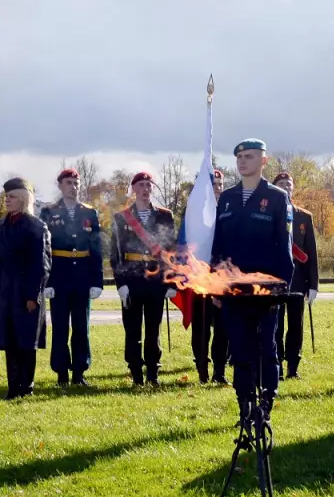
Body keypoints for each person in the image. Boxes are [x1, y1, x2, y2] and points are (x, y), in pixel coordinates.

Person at [212, 138, 293, 421]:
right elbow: (218, 248)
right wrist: (215, 287)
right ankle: (244, 403)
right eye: (239, 157)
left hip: (266, 291)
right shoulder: (227, 198)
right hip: (233, 291)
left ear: (263, 161)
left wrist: (281, 289)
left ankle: (266, 402)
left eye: (248, 156)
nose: (242, 161)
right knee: (240, 347)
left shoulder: (277, 198)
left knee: (267, 347)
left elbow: (284, 248)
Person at [110, 172, 176, 387]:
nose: (146, 189)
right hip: (133, 277)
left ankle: (153, 373)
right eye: (141, 185)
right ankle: (136, 373)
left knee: (153, 328)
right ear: (133, 190)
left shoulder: (166, 216)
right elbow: (116, 253)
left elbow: (171, 251)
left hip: (156, 278)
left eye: (149, 185)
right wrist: (121, 284)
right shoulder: (121, 218)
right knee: (132, 329)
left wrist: (171, 281)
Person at [40, 168, 103, 387]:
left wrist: (97, 281)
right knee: (59, 327)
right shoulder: (48, 212)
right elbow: (45, 250)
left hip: (82, 277)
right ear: (60, 185)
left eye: (76, 183)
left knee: (81, 327)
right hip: (59, 276)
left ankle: (79, 372)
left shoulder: (89, 212)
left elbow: (96, 248)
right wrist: (46, 281)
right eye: (68, 183)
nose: (73, 187)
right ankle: (61, 374)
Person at [0, 178, 51, 400]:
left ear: (24, 198)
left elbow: (41, 264)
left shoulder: (36, 227)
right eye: (6, 196)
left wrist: (33, 295)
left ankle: (26, 387)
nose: (7, 200)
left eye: (12, 196)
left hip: (26, 292)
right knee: (9, 340)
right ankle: (13, 386)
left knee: (26, 341)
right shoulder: (0, 226)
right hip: (4, 292)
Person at [272, 171, 319, 380]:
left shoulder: (304, 217)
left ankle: (293, 366)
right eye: (281, 183)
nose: (286, 186)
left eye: (288, 184)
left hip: (298, 280)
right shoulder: (269, 213)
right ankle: (277, 365)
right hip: (275, 279)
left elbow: (311, 252)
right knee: (276, 324)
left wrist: (314, 284)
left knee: (295, 325)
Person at [186, 169, 229, 385]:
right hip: (199, 277)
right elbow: (184, 244)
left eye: (220, 184)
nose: (217, 188)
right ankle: (202, 367)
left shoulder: (229, 210)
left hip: (222, 276)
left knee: (223, 327)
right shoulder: (195, 213)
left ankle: (219, 372)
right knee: (201, 327)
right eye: (213, 184)